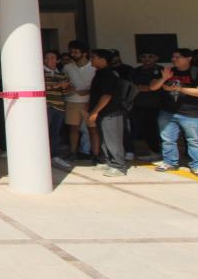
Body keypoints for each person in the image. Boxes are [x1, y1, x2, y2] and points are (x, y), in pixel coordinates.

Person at [150, 48, 198, 177]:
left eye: (178, 57)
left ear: (188, 58)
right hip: (168, 111)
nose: (174, 59)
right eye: (173, 57)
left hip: (192, 113)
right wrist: (163, 79)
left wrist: (179, 88)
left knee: (194, 140)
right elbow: (153, 87)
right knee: (167, 139)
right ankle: (170, 162)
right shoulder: (168, 71)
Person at [87, 49, 127, 177]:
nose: (91, 60)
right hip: (103, 113)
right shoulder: (100, 73)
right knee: (104, 139)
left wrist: (94, 112)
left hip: (111, 112)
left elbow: (106, 95)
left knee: (113, 139)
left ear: (102, 60)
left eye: (93, 57)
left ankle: (119, 166)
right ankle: (109, 162)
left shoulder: (108, 74)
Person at [64, 40, 100, 164]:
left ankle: (95, 154)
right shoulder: (68, 67)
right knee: (73, 129)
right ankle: (73, 153)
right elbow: (64, 83)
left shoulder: (93, 67)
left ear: (84, 53)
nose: (73, 54)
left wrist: (85, 91)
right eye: (71, 52)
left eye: (76, 52)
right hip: (71, 101)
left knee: (92, 128)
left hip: (89, 102)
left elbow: (98, 87)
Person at [131, 51, 165, 160]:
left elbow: (158, 86)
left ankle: (157, 152)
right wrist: (146, 88)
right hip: (138, 103)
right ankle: (151, 151)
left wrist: (147, 88)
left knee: (155, 129)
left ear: (156, 58)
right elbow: (132, 86)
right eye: (144, 56)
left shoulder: (161, 70)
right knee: (142, 128)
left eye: (150, 56)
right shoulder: (136, 71)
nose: (147, 59)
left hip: (157, 105)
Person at [43, 50, 73, 169]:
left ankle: (54, 156)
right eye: (47, 58)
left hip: (59, 106)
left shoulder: (62, 74)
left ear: (57, 60)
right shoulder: (39, 73)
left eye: (52, 58)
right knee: (43, 133)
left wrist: (65, 87)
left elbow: (66, 92)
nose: (49, 60)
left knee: (55, 133)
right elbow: (42, 88)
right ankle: (43, 156)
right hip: (46, 107)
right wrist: (57, 86)